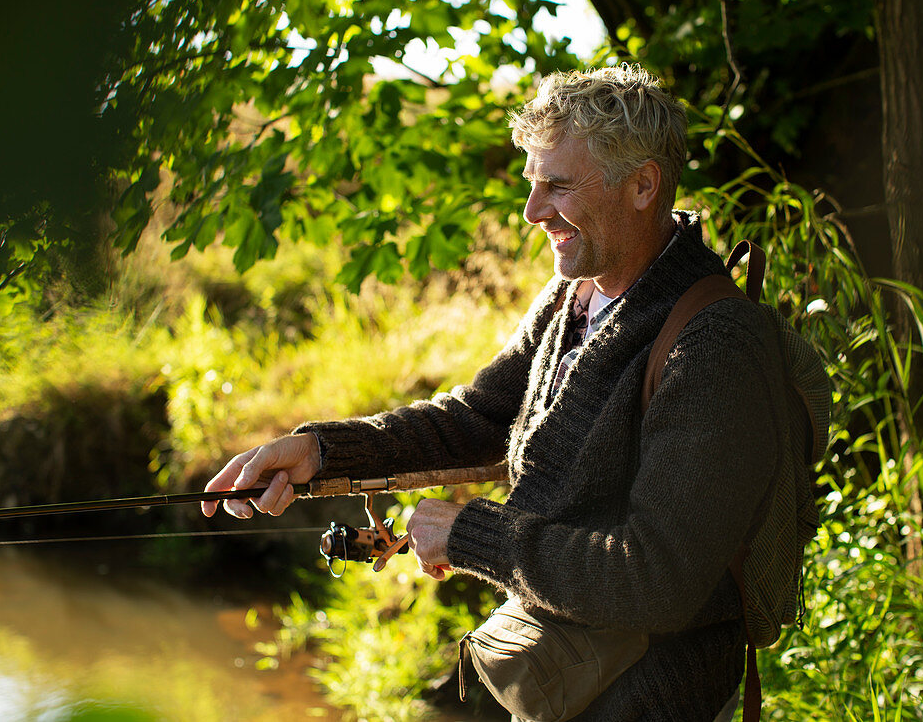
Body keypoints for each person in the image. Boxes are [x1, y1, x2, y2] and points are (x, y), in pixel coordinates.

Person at [202, 64, 790, 721]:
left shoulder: (713, 345)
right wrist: (320, 451)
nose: (533, 212)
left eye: (558, 185)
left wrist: (473, 535)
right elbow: (477, 416)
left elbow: (657, 578)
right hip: (559, 672)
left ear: (643, 185)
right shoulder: (574, 294)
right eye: (531, 184)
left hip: (651, 695)